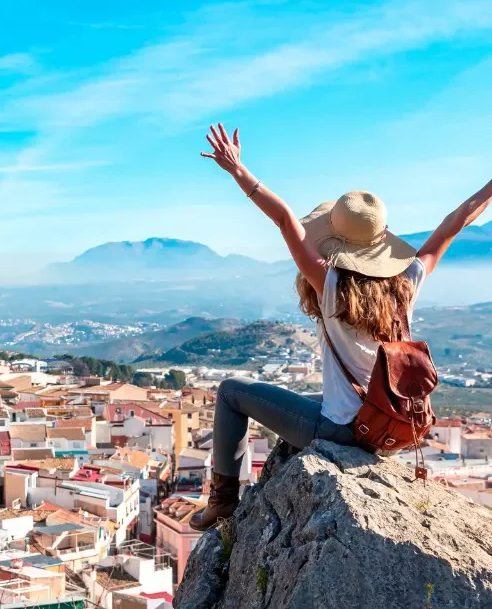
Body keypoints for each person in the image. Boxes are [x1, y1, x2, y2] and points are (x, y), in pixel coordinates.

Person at [188, 123, 492, 532]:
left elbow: (284, 220)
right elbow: (455, 222)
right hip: (386, 424)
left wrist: (237, 170)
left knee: (230, 392)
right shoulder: (407, 283)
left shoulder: (331, 286)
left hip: (341, 430)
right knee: (293, 397)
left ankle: (222, 503)